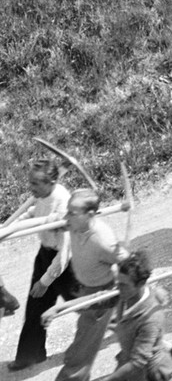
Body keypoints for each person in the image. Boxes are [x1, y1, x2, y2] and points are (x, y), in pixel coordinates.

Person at [50, 191, 120, 381]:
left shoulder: (102, 240)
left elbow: (126, 262)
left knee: (82, 348)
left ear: (90, 215)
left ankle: (72, 377)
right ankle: (158, 349)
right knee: (123, 321)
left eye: (72, 213)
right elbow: (49, 224)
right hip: (85, 286)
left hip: (101, 295)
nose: (66, 217)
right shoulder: (74, 224)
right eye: (68, 211)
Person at [9, 156, 70, 371]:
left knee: (90, 307)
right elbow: (32, 213)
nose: (30, 187)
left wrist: (45, 281)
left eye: (35, 183)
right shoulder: (42, 195)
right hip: (45, 256)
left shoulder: (63, 203)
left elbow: (65, 254)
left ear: (51, 183)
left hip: (67, 265)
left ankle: (125, 323)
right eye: (30, 182)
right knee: (35, 307)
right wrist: (9, 229)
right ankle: (30, 355)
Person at [102, 250, 172, 381]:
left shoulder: (150, 319)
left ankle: (163, 347)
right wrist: (59, 307)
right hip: (129, 357)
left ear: (140, 284)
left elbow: (137, 363)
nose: (117, 289)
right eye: (117, 283)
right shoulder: (126, 292)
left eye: (122, 285)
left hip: (149, 372)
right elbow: (96, 299)